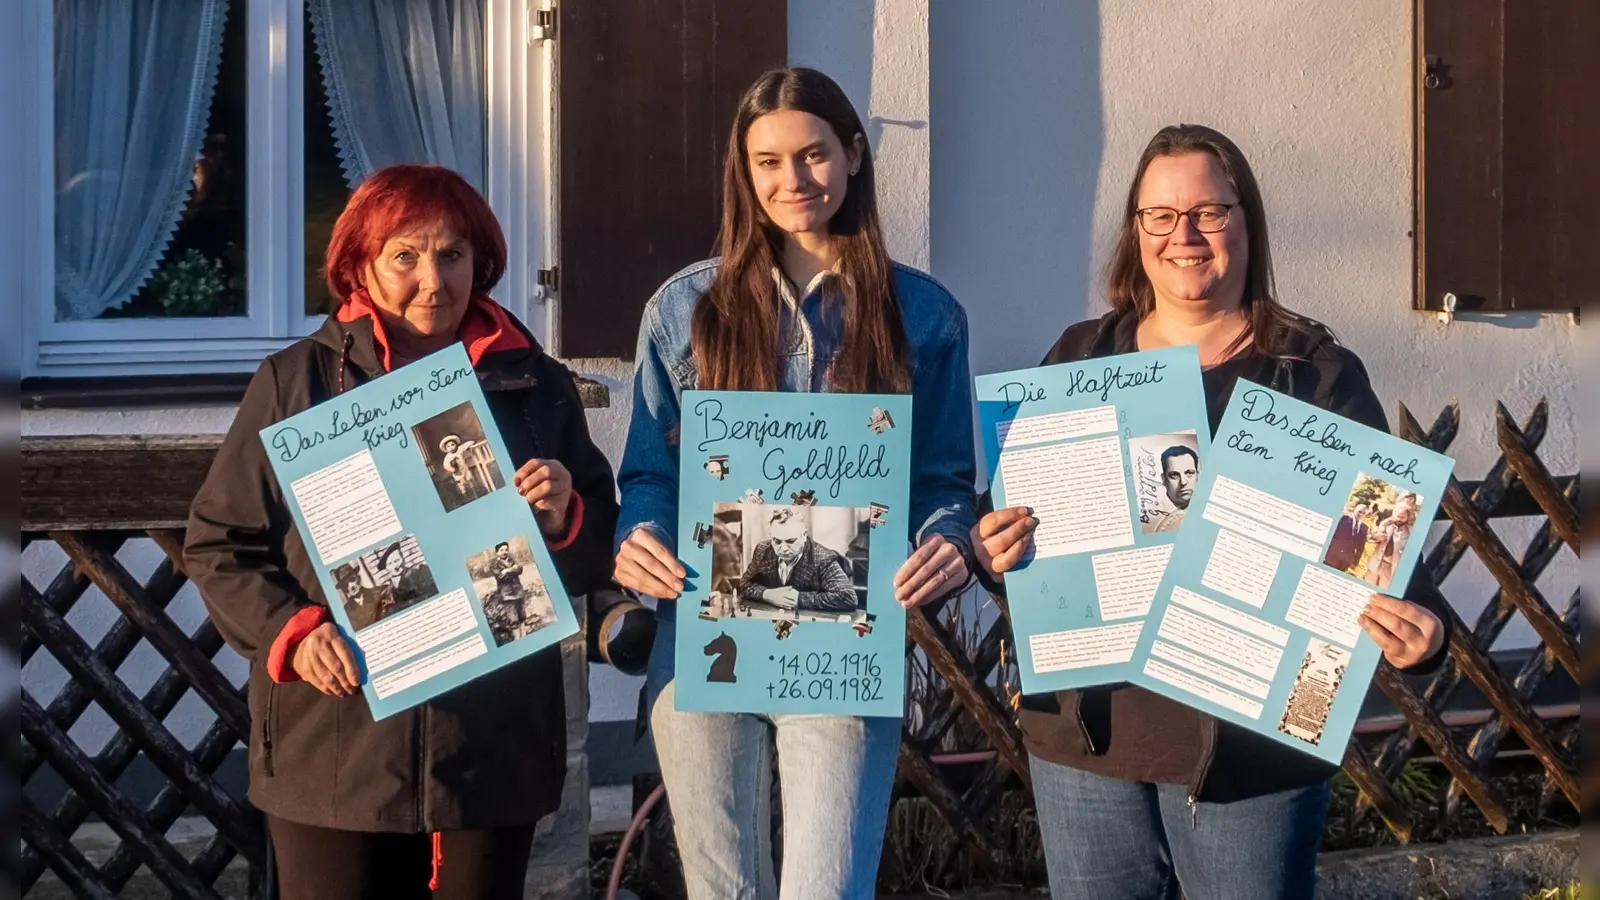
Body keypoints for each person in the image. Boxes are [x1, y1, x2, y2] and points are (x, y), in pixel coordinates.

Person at [970, 125, 1453, 900]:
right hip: (1088, 743)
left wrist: (1422, 631)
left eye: (1208, 212)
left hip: (1251, 753)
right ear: (1136, 233)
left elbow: (1382, 546)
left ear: (1246, 221)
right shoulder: (1079, 359)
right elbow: (1015, 529)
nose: (1184, 236)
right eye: (1159, 216)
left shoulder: (1312, 374)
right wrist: (995, 551)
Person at [184, 163, 619, 900]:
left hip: (493, 749)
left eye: (451, 255)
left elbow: (593, 542)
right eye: (405, 256)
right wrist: (293, 631)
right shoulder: (298, 383)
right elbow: (220, 540)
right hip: (337, 744)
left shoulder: (534, 385)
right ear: (361, 265)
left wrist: (563, 519)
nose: (433, 280)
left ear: (481, 261)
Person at [612, 67, 978, 899]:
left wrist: (945, 541)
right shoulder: (683, 310)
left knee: (829, 887)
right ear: (743, 171)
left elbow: (944, 481)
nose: (792, 180)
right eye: (767, 162)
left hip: (844, 644)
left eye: (812, 155)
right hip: (705, 637)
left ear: (853, 154)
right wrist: (641, 535)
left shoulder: (923, 315)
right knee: (723, 890)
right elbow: (648, 473)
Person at [737, 506, 856, 614]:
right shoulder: (763, 550)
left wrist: (798, 598)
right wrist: (767, 594)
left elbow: (847, 597)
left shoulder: (822, 557)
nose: (783, 549)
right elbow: (744, 584)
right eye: (777, 541)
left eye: (791, 541)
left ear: (804, 535)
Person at [1150, 444, 1200, 532]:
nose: (1183, 482)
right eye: (1174, 475)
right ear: (1164, 479)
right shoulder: (1151, 520)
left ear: (1197, 475)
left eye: (1189, 473)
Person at [1325, 501, 1372, 572]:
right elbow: (1333, 535)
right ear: (1354, 510)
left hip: (1346, 560)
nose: (1361, 514)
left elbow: (1361, 547)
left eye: (1363, 513)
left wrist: (1355, 562)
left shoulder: (1364, 528)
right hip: (1333, 555)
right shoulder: (1343, 519)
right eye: (1359, 511)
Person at [489, 541, 529, 621]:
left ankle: (524, 632)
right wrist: (513, 569)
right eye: (502, 550)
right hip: (507, 595)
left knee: (523, 617)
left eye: (506, 549)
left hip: (518, 591)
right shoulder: (494, 564)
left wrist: (506, 570)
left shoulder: (512, 560)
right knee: (513, 620)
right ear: (497, 553)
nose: (504, 552)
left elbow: (520, 570)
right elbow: (500, 577)